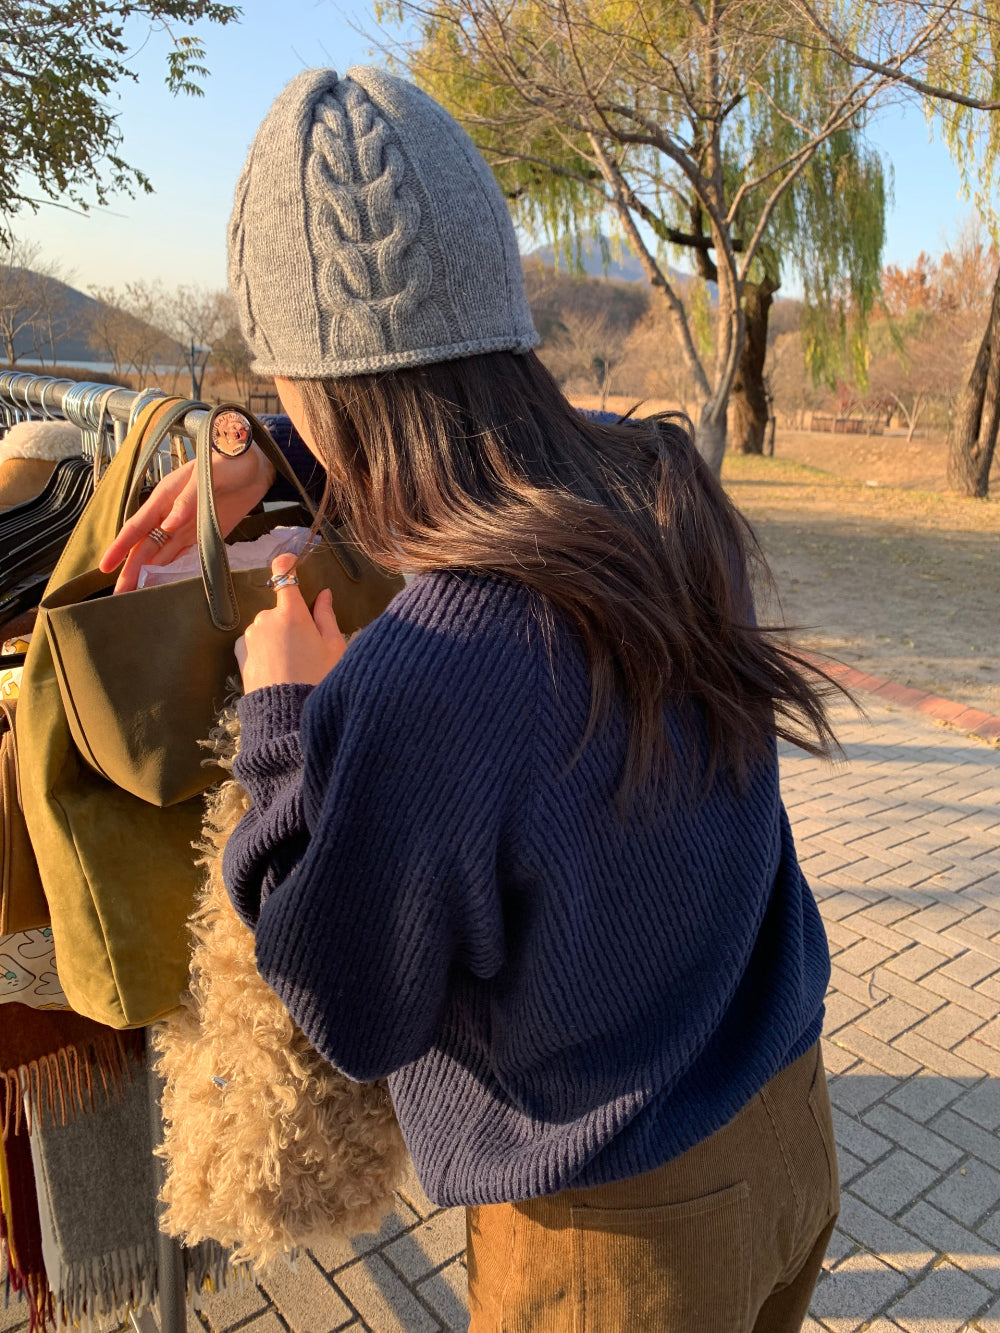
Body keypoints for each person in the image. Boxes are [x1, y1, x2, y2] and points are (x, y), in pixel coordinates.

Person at [102, 66, 840, 1332]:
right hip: (787, 1120)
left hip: (619, 1231)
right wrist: (275, 449)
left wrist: (283, 726)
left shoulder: (420, 675)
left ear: (309, 375)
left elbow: (351, 1007)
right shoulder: (666, 485)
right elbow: (514, 440)